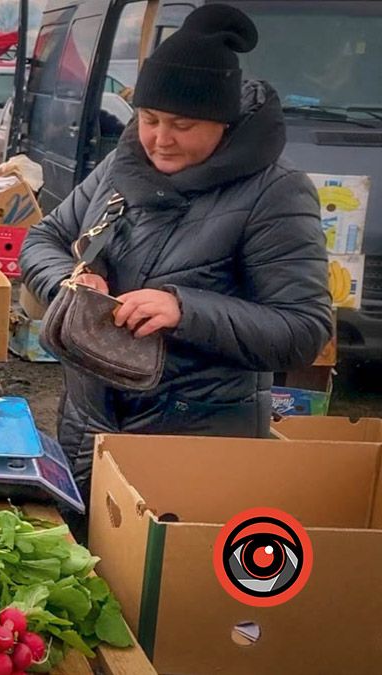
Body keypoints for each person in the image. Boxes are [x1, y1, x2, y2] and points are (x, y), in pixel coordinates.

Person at [19, 4, 332, 507]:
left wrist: (184, 310)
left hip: (193, 446)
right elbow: (42, 239)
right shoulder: (121, 167)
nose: (160, 140)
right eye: (149, 119)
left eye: (182, 125)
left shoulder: (277, 193)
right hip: (88, 428)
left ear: (224, 123)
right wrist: (70, 284)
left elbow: (303, 330)